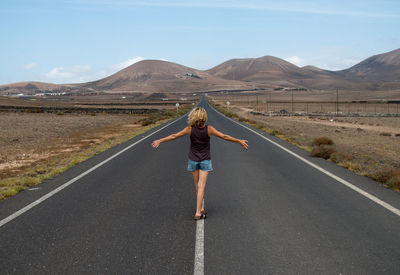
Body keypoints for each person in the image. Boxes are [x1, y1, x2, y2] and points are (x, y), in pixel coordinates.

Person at [151, 107, 248, 220]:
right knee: (202, 186)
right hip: (205, 160)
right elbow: (224, 136)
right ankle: (198, 212)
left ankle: (201, 208)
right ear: (204, 118)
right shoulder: (209, 129)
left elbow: (174, 136)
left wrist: (160, 140)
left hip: (193, 160)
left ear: (193, 117)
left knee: (197, 185)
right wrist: (239, 141)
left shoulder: (189, 129)